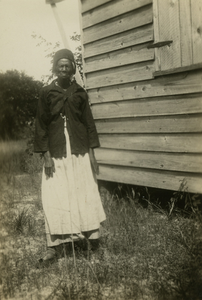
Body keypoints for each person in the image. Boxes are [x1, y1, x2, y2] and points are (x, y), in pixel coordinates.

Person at [34, 49, 106, 263]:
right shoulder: (47, 92)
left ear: (73, 68)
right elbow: (41, 125)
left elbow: (89, 124)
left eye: (68, 66)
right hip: (55, 153)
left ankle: (92, 241)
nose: (64, 69)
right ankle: (53, 246)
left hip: (79, 150)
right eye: (60, 66)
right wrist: (46, 155)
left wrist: (92, 155)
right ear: (55, 68)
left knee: (84, 192)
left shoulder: (80, 93)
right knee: (54, 194)